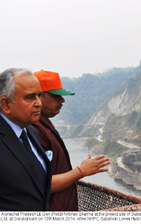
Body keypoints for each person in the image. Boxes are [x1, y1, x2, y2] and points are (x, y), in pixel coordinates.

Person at [32, 70, 110, 211]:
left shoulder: (45, 126)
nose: (62, 100)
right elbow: (42, 184)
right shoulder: (35, 130)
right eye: (56, 96)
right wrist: (81, 171)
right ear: (38, 96)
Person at [0, 68, 52, 211]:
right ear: (6, 104)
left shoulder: (30, 131)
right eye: (30, 97)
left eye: (39, 96)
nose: (38, 103)